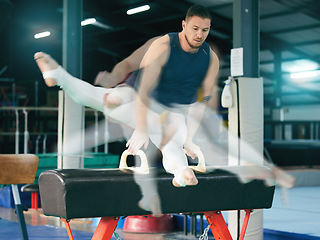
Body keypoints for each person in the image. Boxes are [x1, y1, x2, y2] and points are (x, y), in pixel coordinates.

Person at [35, 5, 219, 189]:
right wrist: (142, 126)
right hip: (145, 104)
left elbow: (200, 103)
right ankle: (181, 170)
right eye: (195, 29)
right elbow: (144, 86)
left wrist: (190, 139)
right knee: (162, 134)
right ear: (184, 24)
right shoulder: (163, 45)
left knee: (101, 98)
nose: (199, 35)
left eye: (205, 30)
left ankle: (58, 75)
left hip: (168, 113)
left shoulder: (210, 59)